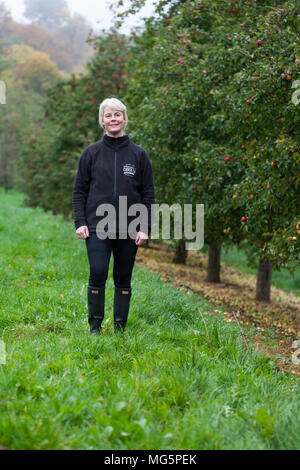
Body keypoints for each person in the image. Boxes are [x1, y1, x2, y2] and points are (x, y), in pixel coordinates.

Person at [72, 97, 155, 335]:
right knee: (98, 271)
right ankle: (95, 327)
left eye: (117, 114)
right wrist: (80, 222)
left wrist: (144, 227)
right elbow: (80, 190)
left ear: (125, 119)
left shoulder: (139, 155)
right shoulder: (91, 154)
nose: (113, 119)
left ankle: (120, 327)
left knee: (123, 277)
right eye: (108, 115)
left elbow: (148, 193)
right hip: (98, 226)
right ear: (102, 121)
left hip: (129, 228)